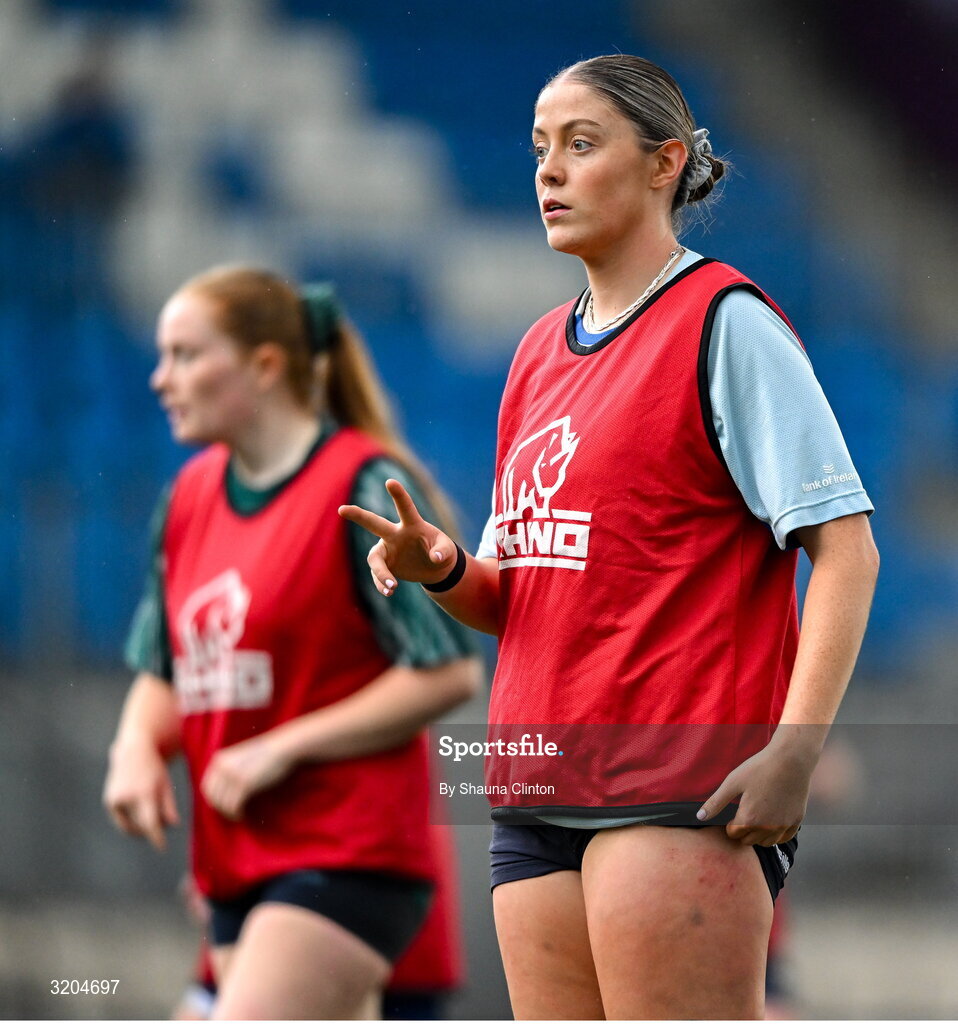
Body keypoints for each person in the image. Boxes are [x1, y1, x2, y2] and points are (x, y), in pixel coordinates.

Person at [340, 54, 879, 1020]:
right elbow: (522, 590)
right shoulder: (538, 350)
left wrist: (796, 749)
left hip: (674, 788)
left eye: (581, 146)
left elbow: (846, 549)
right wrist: (445, 570)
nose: (548, 170)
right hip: (532, 788)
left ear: (664, 162)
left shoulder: (728, 322)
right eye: (541, 148)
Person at [103, 265, 482, 1020]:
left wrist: (284, 747)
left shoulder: (362, 484)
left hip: (347, 853)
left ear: (265, 365)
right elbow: (165, 669)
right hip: (235, 863)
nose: (159, 379)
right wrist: (134, 748)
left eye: (183, 355)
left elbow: (447, 672)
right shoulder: (188, 498)